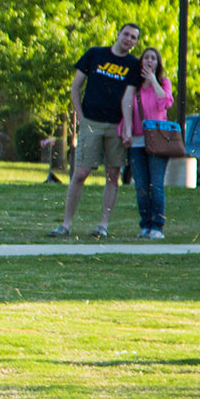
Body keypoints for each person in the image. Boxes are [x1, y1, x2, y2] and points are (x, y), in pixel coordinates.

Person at [52, 22, 142, 237]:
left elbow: (129, 98)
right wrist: (80, 117)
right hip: (91, 122)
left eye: (134, 38)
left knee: (113, 174)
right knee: (80, 173)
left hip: (116, 126)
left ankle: (103, 225)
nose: (129, 39)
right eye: (126, 34)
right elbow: (76, 86)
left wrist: (128, 127)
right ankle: (65, 224)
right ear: (118, 34)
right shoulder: (95, 55)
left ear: (136, 43)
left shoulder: (133, 65)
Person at [125, 46, 174, 239]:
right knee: (141, 186)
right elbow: (127, 108)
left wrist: (153, 81)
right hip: (137, 142)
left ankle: (157, 226)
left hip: (158, 141)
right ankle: (144, 224)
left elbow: (166, 102)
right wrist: (126, 131)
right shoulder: (134, 87)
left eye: (153, 58)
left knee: (156, 184)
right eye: (146, 58)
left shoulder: (163, 83)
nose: (149, 61)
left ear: (158, 63)